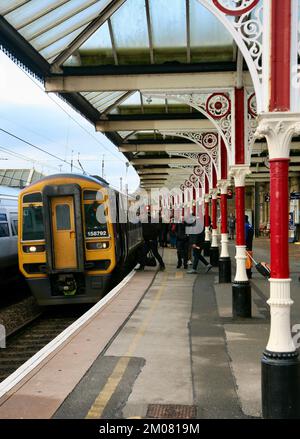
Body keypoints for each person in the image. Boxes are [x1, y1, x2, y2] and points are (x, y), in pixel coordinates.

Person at [245, 215, 254, 279]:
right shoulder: (249, 225)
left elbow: (245, 236)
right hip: (250, 243)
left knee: (246, 259)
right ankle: (249, 272)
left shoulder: (245, 225)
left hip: (246, 244)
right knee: (249, 258)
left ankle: (247, 273)